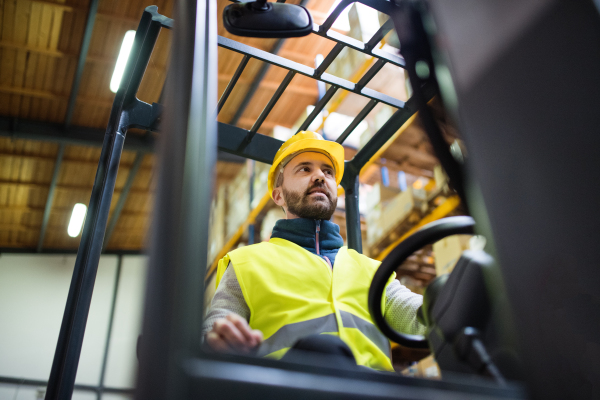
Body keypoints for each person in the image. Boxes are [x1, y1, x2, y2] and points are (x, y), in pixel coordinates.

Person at [202, 131, 425, 371]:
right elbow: (215, 331)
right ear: (279, 196)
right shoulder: (246, 263)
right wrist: (222, 342)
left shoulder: (372, 271)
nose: (319, 176)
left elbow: (418, 315)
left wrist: (450, 300)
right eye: (304, 169)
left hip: (372, 391)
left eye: (327, 171)